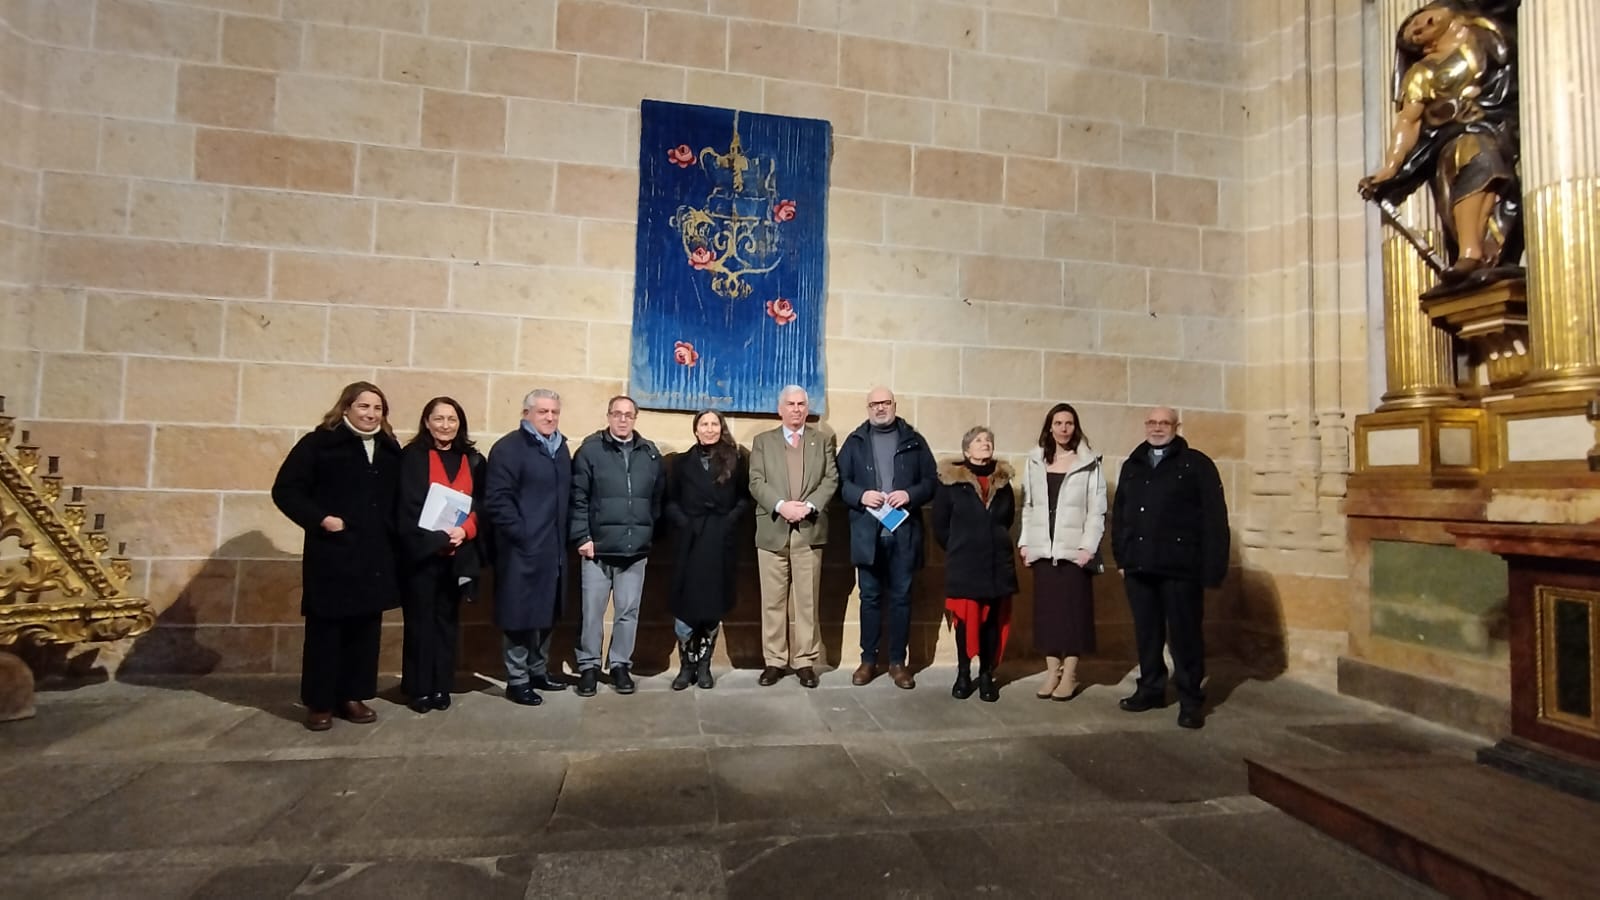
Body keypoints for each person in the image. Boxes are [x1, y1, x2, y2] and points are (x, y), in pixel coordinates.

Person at [271, 381, 402, 732]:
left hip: (373, 555)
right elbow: (285, 490)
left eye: (377, 408)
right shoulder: (319, 444)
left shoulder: (390, 448)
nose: (370, 413)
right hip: (333, 554)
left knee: (364, 630)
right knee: (326, 632)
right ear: (346, 408)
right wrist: (322, 519)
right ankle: (319, 701)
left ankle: (352, 696)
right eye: (363, 407)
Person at [1358, 1, 1521, 279]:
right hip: (1455, 137)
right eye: (1413, 33)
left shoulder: (1489, 33)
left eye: (1419, 18)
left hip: (1506, 124)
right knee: (1476, 157)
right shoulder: (1423, 72)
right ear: (1423, 47)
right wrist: (1390, 167)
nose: (1419, 26)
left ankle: (1485, 251)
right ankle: (1471, 252)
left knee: (1496, 179)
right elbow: (1409, 121)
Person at [1111, 406, 1230, 730]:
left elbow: (1214, 519)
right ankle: (1151, 688)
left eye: (1165, 422)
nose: (1157, 428)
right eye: (1152, 422)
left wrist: (1212, 568)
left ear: (1177, 426)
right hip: (1139, 564)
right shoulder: (1133, 465)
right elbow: (1120, 513)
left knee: (1185, 636)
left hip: (1180, 567)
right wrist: (1121, 557)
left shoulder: (1197, 465)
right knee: (1147, 633)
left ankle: (1191, 699)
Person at [836, 387, 937, 689]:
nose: (880, 408)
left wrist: (909, 494)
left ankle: (897, 662)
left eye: (885, 403)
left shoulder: (914, 441)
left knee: (902, 599)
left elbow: (931, 481)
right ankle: (868, 661)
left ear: (894, 404)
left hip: (903, 535)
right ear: (867, 408)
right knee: (869, 599)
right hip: (868, 535)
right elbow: (839, 483)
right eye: (874, 404)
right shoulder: (854, 442)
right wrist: (860, 495)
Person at [394, 396, 487, 714]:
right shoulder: (412, 457)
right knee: (420, 622)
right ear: (427, 422)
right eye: (439, 419)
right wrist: (433, 538)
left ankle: (440, 686)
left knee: (447, 621)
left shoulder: (472, 459)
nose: (445, 425)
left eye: (452, 419)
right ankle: (419, 687)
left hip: (457, 553)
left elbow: (482, 504)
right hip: (421, 554)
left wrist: (466, 530)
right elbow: (406, 504)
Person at [569, 395, 665, 697]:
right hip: (597, 549)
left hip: (634, 550)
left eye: (628, 415)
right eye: (617, 414)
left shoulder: (650, 453)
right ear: (608, 416)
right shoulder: (590, 451)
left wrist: (648, 533)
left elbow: (657, 499)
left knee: (628, 611)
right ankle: (588, 667)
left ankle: (621, 664)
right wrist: (582, 537)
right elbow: (578, 497)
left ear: (635, 418)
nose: (623, 420)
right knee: (592, 613)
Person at [483, 389, 572, 707]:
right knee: (519, 615)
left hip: (555, 549)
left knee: (547, 612)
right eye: (542, 412)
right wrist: (522, 535)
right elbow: (497, 499)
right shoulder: (509, 448)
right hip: (522, 548)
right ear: (526, 414)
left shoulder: (561, 448)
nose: (549, 417)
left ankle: (538, 671)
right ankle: (517, 679)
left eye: (554, 412)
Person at [748, 385, 838, 688]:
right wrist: (781, 506)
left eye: (801, 404)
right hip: (773, 530)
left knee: (807, 602)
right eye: (791, 404)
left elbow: (830, 479)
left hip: (809, 531)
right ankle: (774, 660)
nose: (797, 409)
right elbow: (756, 481)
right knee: (772, 602)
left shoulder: (822, 441)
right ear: (780, 409)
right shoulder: (762, 442)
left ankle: (804, 661)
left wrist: (808, 506)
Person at [1018, 403, 1107, 702]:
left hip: (1074, 553)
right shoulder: (1035, 461)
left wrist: (1088, 547)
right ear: (1050, 427)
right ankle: (1051, 671)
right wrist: (1025, 543)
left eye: (1069, 423)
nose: (1064, 428)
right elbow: (1029, 507)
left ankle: (1070, 674)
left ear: (1075, 426)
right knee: (1048, 616)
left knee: (1074, 616)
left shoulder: (1089, 462)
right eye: (1058, 423)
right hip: (1044, 550)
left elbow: (1097, 511)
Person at [663, 410, 751, 691]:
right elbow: (669, 500)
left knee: (712, 605)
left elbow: (744, 499)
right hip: (689, 541)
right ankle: (686, 665)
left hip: (718, 540)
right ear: (696, 429)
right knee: (685, 606)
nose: (710, 429)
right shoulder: (680, 462)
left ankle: (704, 665)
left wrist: (727, 522)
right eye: (704, 424)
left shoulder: (736, 460)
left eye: (715, 424)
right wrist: (684, 522)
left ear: (721, 427)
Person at [932, 426, 1017, 703]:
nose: (985, 444)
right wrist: (961, 545)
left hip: (996, 563)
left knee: (991, 621)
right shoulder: (950, 482)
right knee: (966, 621)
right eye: (978, 441)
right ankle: (963, 673)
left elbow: (1008, 520)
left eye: (989, 440)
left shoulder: (1003, 482)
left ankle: (986, 675)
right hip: (965, 562)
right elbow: (940, 526)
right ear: (966, 450)